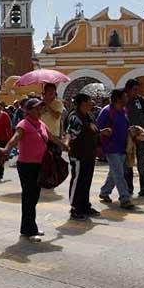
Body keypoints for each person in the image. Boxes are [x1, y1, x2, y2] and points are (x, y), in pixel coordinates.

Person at [2, 98, 68, 240]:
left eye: (41, 109)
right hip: (27, 165)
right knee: (29, 197)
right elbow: (15, 138)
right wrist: (6, 150)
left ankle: (29, 227)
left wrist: (64, 146)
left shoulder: (41, 124)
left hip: (40, 164)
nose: (40, 111)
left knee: (34, 197)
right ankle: (29, 230)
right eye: (37, 109)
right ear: (28, 110)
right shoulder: (23, 124)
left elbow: (51, 137)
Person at [64, 93, 101, 221]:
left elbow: (92, 130)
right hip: (79, 155)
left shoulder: (88, 116)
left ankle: (85, 205)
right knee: (77, 180)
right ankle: (75, 207)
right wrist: (66, 144)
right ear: (83, 103)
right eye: (90, 101)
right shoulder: (75, 117)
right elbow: (70, 133)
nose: (92, 103)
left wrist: (101, 134)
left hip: (89, 154)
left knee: (86, 181)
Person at [96, 89, 135, 209]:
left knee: (114, 173)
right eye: (125, 96)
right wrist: (99, 146)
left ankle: (104, 192)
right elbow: (98, 129)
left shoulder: (123, 111)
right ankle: (125, 198)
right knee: (119, 173)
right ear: (118, 98)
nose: (127, 98)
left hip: (123, 147)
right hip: (111, 148)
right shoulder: (106, 111)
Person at [123, 79, 144, 197]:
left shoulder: (141, 100)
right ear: (128, 89)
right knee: (128, 164)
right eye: (134, 90)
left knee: (142, 163)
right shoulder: (123, 101)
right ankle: (129, 187)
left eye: (137, 90)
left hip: (141, 136)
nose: (136, 92)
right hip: (128, 137)